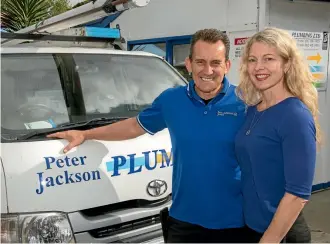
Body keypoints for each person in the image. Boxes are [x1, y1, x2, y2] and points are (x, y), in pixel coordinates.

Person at [47, 29, 247, 243]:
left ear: (227, 66)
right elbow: (134, 126)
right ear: (188, 64)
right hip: (185, 221)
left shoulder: (245, 102)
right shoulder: (172, 100)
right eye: (200, 62)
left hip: (234, 222)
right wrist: (86, 134)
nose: (208, 70)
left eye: (215, 63)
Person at [234, 27, 321, 243]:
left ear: (287, 64)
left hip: (281, 235)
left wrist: (268, 240)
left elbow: (297, 195)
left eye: (269, 59)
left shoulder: (295, 115)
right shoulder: (253, 109)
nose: (258, 67)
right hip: (251, 227)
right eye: (253, 60)